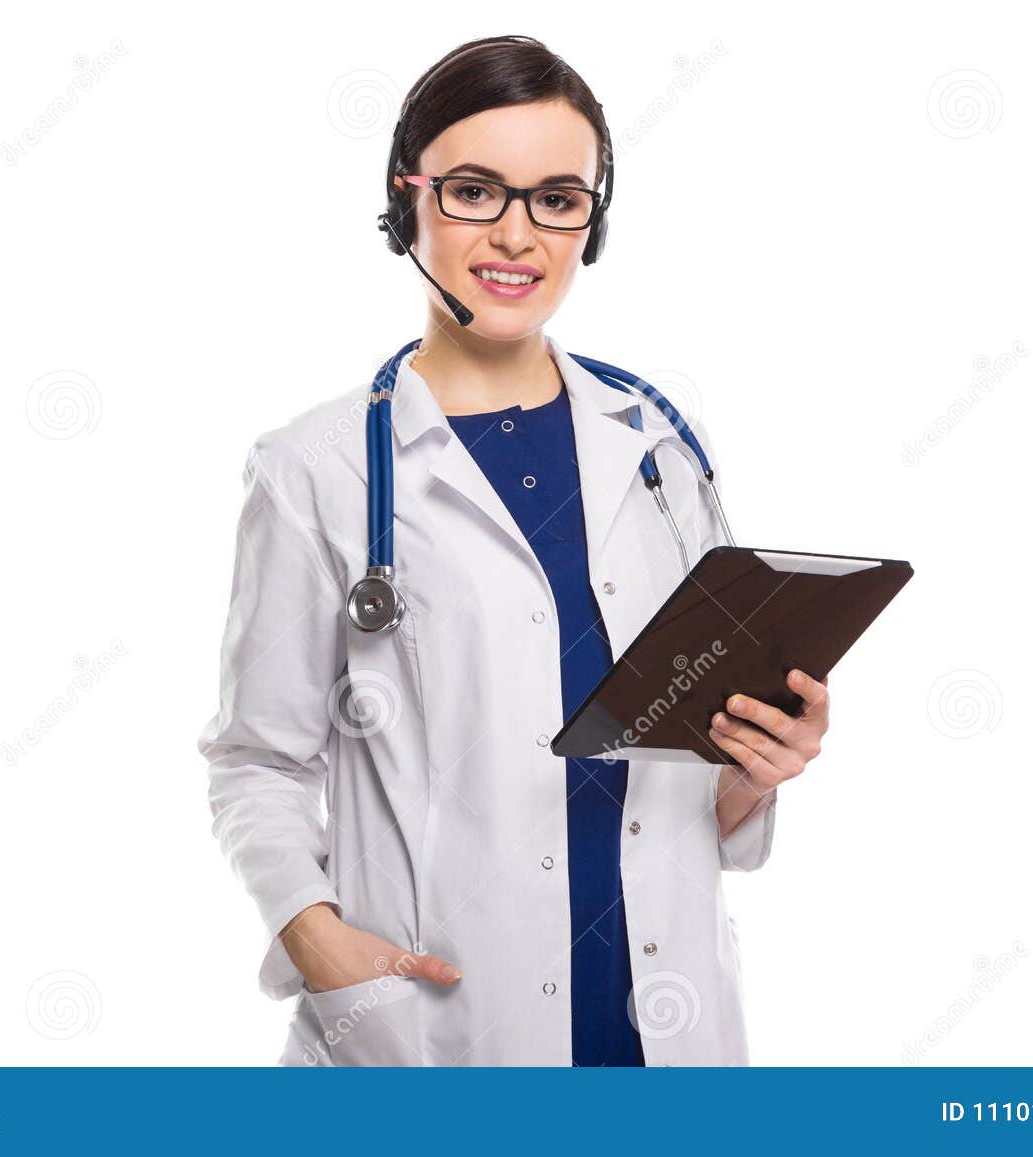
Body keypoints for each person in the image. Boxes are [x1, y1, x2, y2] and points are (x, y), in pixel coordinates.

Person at [198, 35, 830, 1066]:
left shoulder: (660, 449)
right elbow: (256, 759)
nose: (516, 233)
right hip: (438, 1022)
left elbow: (684, 772)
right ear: (407, 203)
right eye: (474, 191)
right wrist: (316, 939)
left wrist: (760, 765)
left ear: (595, 218)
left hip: (660, 1021)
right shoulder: (316, 469)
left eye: (556, 198)